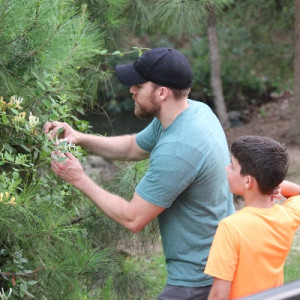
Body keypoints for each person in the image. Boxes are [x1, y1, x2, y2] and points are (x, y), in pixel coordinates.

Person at [44, 47, 235, 300]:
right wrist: (79, 138)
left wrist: (78, 178)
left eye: (139, 85)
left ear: (162, 93)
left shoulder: (179, 148)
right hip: (218, 261)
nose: (131, 89)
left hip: (199, 278)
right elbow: (133, 147)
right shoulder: (193, 111)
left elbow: (133, 218)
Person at [204, 135, 300, 300]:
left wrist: (271, 183)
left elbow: (218, 295)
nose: (227, 168)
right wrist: (271, 183)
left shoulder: (231, 227)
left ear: (248, 181)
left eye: (232, 166)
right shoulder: (287, 216)